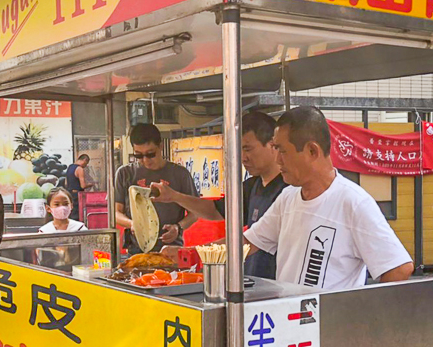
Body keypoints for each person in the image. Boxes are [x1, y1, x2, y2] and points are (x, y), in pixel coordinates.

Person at [244, 106, 414, 290]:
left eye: (282, 151)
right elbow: (249, 242)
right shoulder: (288, 198)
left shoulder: (353, 202)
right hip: (289, 314)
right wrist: (211, 255)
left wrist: (365, 311)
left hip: (333, 318)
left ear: (312, 151)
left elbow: (399, 267)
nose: (278, 160)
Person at [153, 112, 287, 278]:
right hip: (254, 281)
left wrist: (191, 252)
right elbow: (216, 210)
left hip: (277, 285)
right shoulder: (252, 186)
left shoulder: (288, 191)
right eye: (239, 150)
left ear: (272, 145)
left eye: (247, 149)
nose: (243, 158)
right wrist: (174, 196)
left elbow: (248, 242)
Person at [114, 123, 197, 254]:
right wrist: (132, 224)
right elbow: (116, 213)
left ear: (161, 147)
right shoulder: (125, 174)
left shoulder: (180, 174)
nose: (146, 160)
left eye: (151, 154)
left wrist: (178, 227)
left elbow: (195, 212)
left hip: (171, 248)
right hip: (137, 249)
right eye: (139, 156)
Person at [66, 154, 94, 220]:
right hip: (77, 195)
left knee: (71, 213)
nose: (86, 166)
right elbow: (83, 185)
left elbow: (66, 182)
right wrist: (90, 184)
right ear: (84, 160)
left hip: (69, 193)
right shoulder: (79, 169)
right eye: (86, 163)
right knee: (77, 214)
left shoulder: (70, 167)